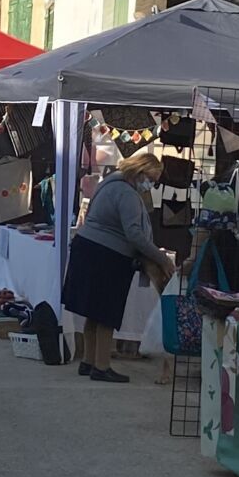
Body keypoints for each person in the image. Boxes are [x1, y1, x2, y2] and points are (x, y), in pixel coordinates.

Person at [63, 148, 173, 383]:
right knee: (106, 314)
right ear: (141, 172)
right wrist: (161, 258)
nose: (151, 185)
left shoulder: (108, 182)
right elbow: (134, 234)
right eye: (151, 180)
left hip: (88, 249)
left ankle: (89, 361)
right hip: (107, 256)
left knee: (92, 311)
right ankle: (102, 366)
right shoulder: (127, 193)